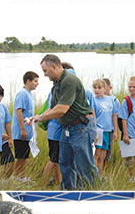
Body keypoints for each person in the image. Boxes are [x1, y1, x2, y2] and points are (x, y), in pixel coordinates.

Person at [34, 54, 100, 190]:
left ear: (53, 66)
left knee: (85, 166)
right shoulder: (56, 84)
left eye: (45, 71)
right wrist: (37, 117)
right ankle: (68, 192)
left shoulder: (69, 80)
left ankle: (96, 192)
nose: (44, 75)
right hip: (67, 129)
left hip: (81, 128)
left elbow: (62, 109)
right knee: (65, 163)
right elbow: (52, 108)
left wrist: (41, 118)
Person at [11, 71, 39, 180]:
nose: (37, 84)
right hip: (21, 131)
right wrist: (23, 129)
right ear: (28, 81)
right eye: (35, 81)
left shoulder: (30, 94)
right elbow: (19, 111)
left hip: (28, 131)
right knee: (20, 156)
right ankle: (16, 177)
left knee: (25, 156)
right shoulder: (22, 93)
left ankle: (22, 176)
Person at [92, 78, 118, 175]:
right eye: (95, 88)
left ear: (105, 88)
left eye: (99, 88)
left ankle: (101, 173)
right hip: (98, 130)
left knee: (103, 154)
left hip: (108, 129)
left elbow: (114, 115)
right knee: (97, 154)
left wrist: (115, 131)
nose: (97, 90)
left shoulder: (111, 100)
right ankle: (95, 175)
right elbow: (92, 116)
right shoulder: (93, 100)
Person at [0, 85, 15, 178]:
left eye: (1, 95)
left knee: (10, 162)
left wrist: (10, 138)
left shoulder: (3, 107)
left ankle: (4, 181)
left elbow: (7, 123)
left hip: (3, 141)